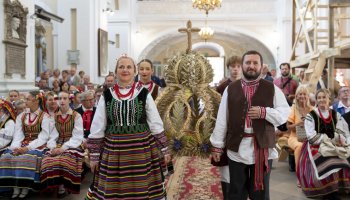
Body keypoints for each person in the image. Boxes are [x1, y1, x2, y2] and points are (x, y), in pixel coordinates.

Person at [86, 55, 170, 199]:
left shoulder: (144, 94)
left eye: (129, 67)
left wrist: (164, 149)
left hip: (141, 151)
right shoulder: (107, 95)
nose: (125, 70)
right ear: (116, 71)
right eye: (121, 67)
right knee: (115, 190)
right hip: (114, 151)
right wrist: (94, 155)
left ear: (134, 71)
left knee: (142, 188)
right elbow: (98, 126)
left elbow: (155, 123)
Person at [210, 50, 290, 200]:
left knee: (260, 193)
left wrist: (265, 113)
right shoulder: (231, 88)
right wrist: (217, 145)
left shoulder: (272, 88)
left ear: (261, 66)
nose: (251, 66)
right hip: (236, 147)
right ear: (242, 65)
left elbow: (285, 114)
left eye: (255, 63)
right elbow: (222, 118)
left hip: (262, 147)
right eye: (248, 63)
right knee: (236, 192)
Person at [297, 89, 349, 200]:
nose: (321, 100)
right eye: (319, 97)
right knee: (328, 161)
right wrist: (329, 139)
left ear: (329, 99)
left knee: (344, 159)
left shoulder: (336, 114)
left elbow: (341, 130)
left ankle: (339, 188)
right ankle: (328, 191)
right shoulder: (311, 116)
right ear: (316, 100)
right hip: (315, 145)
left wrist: (340, 139)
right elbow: (311, 137)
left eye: (324, 97)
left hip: (333, 144)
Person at [0, 91, 50, 199]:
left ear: (36, 101)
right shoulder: (22, 116)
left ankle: (26, 187)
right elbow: (18, 134)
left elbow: (43, 137)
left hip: (38, 145)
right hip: (22, 144)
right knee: (6, 155)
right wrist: (15, 148)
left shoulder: (45, 116)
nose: (25, 101)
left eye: (27, 99)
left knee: (27, 157)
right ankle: (14, 186)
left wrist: (27, 148)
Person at [40, 91, 84, 198]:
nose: (62, 101)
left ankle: (62, 187)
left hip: (73, 144)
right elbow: (52, 135)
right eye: (60, 98)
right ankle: (53, 185)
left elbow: (77, 137)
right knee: (47, 159)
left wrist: (63, 148)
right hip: (58, 143)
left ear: (69, 100)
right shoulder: (54, 116)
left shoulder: (76, 116)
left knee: (65, 159)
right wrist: (53, 147)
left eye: (65, 98)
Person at [214, 55, 242, 199]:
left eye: (238, 66)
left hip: (242, 133)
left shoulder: (246, 85)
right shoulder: (222, 87)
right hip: (226, 131)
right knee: (226, 168)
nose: (235, 69)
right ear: (228, 68)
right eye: (233, 66)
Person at [286, 85, 313, 182]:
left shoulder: (312, 109)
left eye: (304, 94)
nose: (302, 96)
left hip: (309, 137)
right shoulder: (294, 108)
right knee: (300, 147)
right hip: (295, 137)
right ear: (296, 96)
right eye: (300, 94)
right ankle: (300, 177)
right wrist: (298, 124)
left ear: (308, 96)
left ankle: (313, 175)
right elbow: (288, 127)